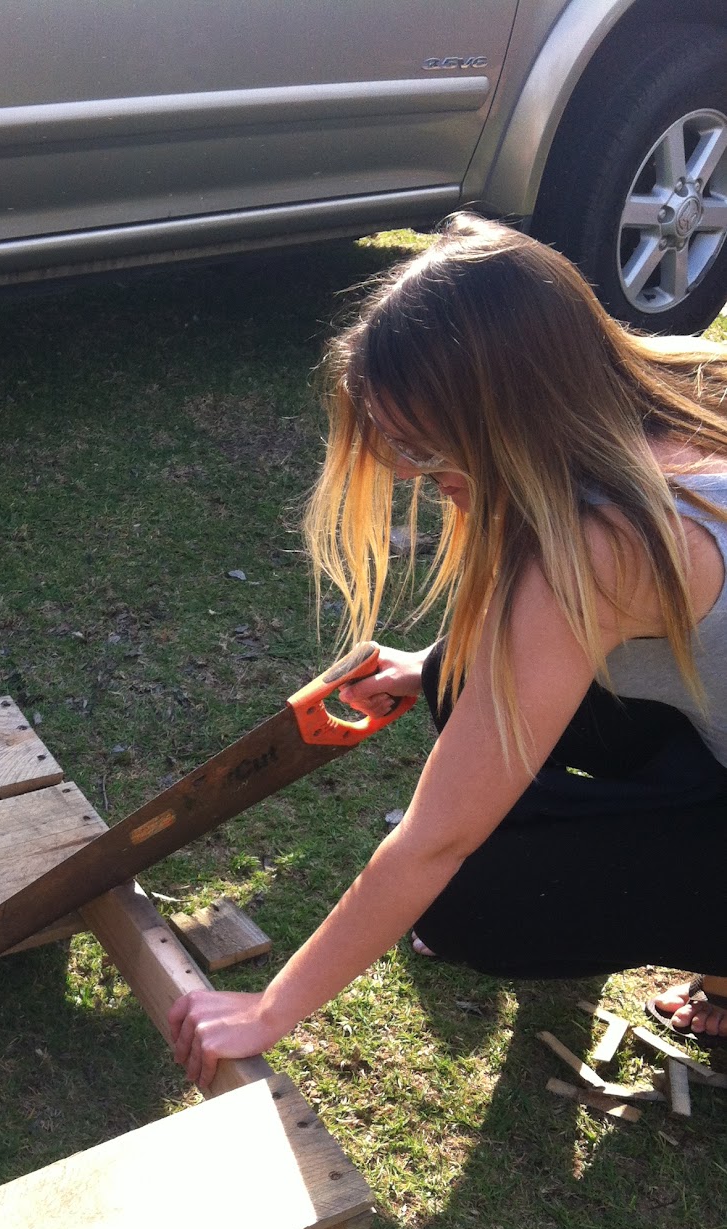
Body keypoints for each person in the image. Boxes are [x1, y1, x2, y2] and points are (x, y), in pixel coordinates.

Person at [169, 213, 727, 1090]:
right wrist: (429, 668)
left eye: (425, 453)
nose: (412, 476)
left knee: (471, 898)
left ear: (513, 415)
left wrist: (269, 1010)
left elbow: (435, 842)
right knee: (462, 670)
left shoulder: (606, 548)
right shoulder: (674, 383)